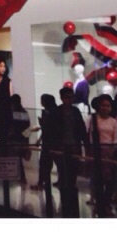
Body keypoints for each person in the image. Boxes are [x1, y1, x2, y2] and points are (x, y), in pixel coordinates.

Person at [46, 85, 89, 217]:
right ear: (62, 98)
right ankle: (66, 200)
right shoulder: (56, 112)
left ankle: (70, 199)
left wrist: (86, 145)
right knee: (64, 172)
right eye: (67, 97)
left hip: (74, 147)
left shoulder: (75, 111)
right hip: (61, 148)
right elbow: (51, 130)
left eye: (71, 97)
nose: (69, 100)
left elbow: (81, 129)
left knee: (73, 173)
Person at [86, 93, 117, 216]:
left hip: (110, 153)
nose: (105, 108)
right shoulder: (92, 119)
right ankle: (99, 204)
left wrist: (111, 152)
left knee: (110, 181)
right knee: (98, 181)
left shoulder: (113, 121)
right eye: (103, 105)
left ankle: (106, 204)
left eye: (108, 105)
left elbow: (115, 139)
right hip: (96, 152)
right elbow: (89, 136)